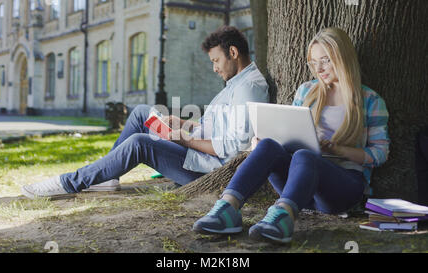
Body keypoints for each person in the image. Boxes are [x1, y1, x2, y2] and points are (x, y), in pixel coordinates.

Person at [21, 26, 269, 199]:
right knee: (142, 113)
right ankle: (107, 177)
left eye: (216, 61)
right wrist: (183, 123)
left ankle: (69, 182)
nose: (214, 68)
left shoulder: (248, 88)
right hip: (195, 150)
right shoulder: (236, 82)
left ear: (233, 53)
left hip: (204, 168)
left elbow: (231, 148)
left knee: (140, 143)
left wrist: (180, 137)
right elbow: (217, 126)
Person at [193, 27, 390, 243]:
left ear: (342, 57)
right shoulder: (306, 91)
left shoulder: (370, 100)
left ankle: (282, 219)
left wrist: (337, 149)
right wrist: (262, 141)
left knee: (306, 156)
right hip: (300, 187)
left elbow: (380, 154)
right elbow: (287, 134)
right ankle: (227, 209)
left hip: (342, 188)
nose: (319, 68)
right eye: (313, 63)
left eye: (325, 60)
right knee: (268, 145)